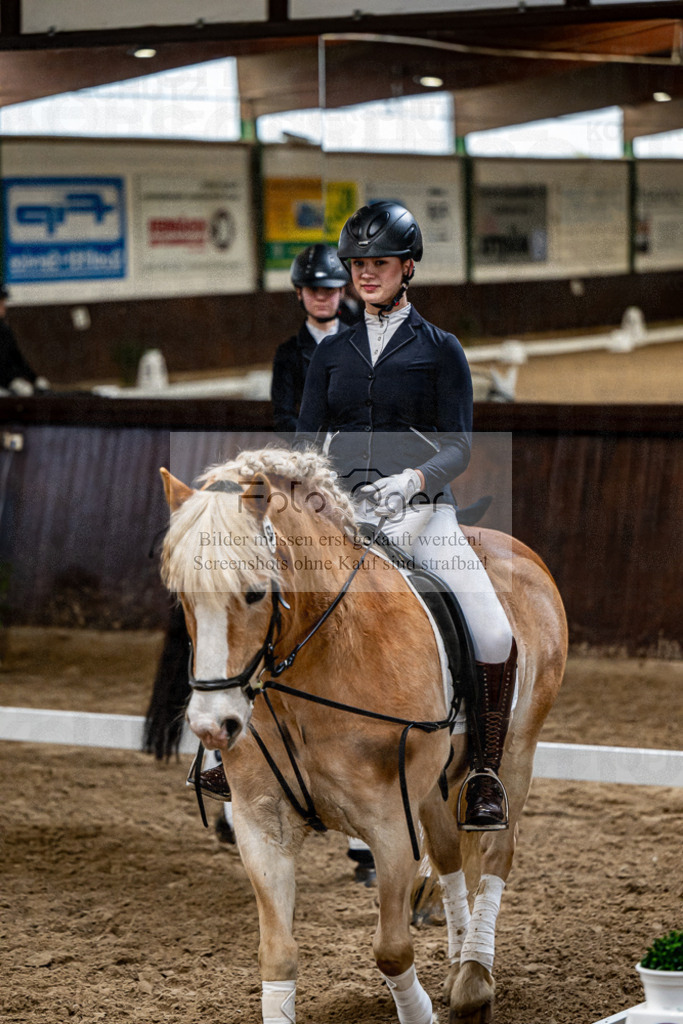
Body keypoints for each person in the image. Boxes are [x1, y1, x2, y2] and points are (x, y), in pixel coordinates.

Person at [296, 201, 517, 829]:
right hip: (343, 514)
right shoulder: (330, 355)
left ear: (407, 267)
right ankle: (232, 753)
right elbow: (307, 443)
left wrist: (414, 479)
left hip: (421, 512)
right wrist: (319, 496)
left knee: (495, 633)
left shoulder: (441, 350)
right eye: (358, 264)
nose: (367, 274)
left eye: (380, 263)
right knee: (264, 600)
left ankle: (484, 774)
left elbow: (460, 445)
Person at [271, 243, 357, 435]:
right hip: (310, 453)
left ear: (342, 291)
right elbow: (283, 416)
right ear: (299, 293)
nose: (321, 298)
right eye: (312, 290)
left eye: (329, 290)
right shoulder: (288, 354)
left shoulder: (362, 344)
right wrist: (316, 444)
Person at [0, 286, 50, 396]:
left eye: (3, 303)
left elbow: (16, 357)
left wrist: (34, 379)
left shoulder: (4, 330)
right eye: (1, 303)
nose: (4, 307)